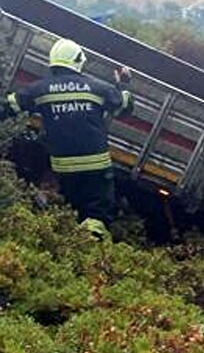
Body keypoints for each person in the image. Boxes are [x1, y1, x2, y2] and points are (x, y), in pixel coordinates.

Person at [3, 37, 134, 238]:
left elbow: (9, 106)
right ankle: (90, 250)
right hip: (96, 167)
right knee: (97, 214)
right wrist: (123, 84)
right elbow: (125, 107)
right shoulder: (97, 88)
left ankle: (70, 246)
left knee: (74, 210)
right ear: (78, 61)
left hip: (64, 168)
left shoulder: (40, 90)